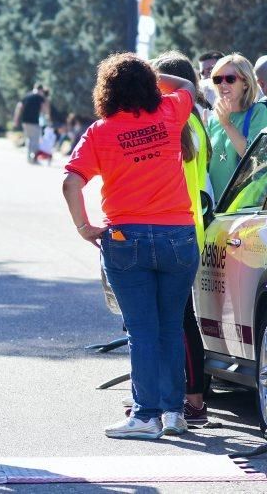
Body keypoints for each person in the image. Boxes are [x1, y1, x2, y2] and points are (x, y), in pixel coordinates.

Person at [62, 53, 197, 439]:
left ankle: (145, 416)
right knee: (171, 327)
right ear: (150, 86)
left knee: (142, 330)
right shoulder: (170, 113)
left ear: (106, 91)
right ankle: (174, 413)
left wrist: (84, 227)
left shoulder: (100, 132)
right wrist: (151, 74)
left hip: (126, 238)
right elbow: (189, 86)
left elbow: (71, 182)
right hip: (178, 235)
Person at [150, 50, 213, 426]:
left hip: (178, 225)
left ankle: (193, 399)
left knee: (179, 320)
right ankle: (179, 396)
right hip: (188, 224)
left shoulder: (177, 122)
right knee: (177, 318)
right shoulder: (191, 120)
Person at [207, 54, 267, 200]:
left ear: (245, 83)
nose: (223, 84)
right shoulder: (213, 120)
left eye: (230, 79)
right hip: (215, 207)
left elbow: (255, 159)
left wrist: (227, 124)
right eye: (218, 79)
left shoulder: (259, 112)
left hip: (244, 207)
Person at [13, 84, 50, 164]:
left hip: (25, 121)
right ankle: (34, 159)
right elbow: (44, 108)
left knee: (29, 139)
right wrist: (47, 116)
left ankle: (29, 157)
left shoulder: (26, 96)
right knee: (35, 140)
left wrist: (16, 120)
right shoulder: (40, 98)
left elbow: (19, 107)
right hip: (34, 122)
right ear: (40, 90)